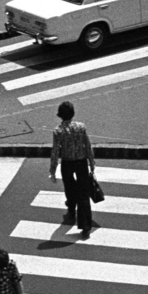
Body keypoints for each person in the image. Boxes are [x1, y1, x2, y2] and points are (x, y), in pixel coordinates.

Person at [49, 100, 98, 235]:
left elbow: (55, 152)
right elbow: (87, 145)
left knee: (69, 188)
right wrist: (92, 163)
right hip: (81, 162)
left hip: (67, 163)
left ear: (60, 115)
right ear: (73, 113)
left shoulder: (58, 131)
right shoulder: (81, 127)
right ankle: (86, 225)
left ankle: (71, 208)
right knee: (83, 193)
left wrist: (52, 170)